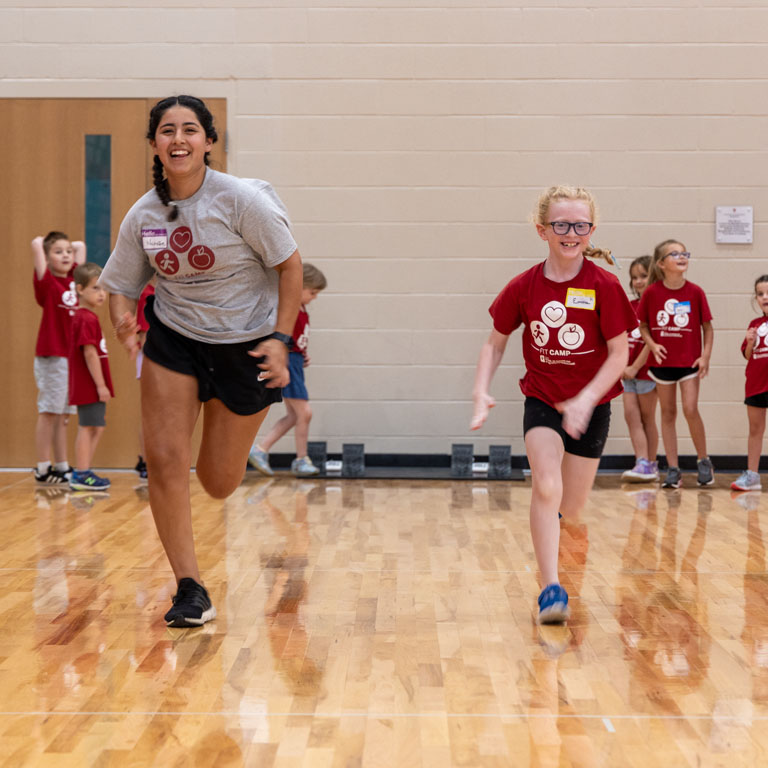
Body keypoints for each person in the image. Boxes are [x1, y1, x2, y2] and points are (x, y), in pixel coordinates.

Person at [100, 95, 303, 628]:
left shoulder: (239, 201)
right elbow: (119, 283)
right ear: (154, 145)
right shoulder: (144, 214)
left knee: (217, 480)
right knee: (165, 459)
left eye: (190, 129)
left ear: (209, 142)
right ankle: (190, 587)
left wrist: (281, 338)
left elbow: (290, 266)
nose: (178, 139)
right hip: (176, 338)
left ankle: (230, 447)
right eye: (167, 131)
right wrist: (124, 322)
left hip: (247, 343)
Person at [471, 185, 636, 624]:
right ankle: (549, 588)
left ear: (591, 230)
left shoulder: (605, 286)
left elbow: (620, 354)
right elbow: (495, 342)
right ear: (543, 230)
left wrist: (586, 399)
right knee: (546, 485)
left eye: (580, 225)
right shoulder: (524, 286)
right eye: (561, 224)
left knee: (573, 510)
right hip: (542, 400)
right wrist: (481, 387)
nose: (571, 233)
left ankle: (568, 549)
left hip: (593, 407)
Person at [637, 240, 714, 488]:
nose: (682, 257)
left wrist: (705, 356)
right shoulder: (651, 293)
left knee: (690, 409)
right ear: (661, 263)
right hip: (662, 363)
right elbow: (643, 325)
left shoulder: (695, 292)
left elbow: (707, 327)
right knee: (668, 413)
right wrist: (651, 344)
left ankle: (703, 460)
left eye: (684, 253)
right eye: (675, 254)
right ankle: (673, 468)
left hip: (689, 362)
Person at [248, 263, 327, 477]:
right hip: (288, 364)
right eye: (312, 292)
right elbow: (279, 339)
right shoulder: (288, 309)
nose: (314, 298)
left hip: (295, 363)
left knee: (294, 416)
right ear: (300, 287)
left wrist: (302, 354)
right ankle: (301, 459)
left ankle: (260, 450)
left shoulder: (302, 311)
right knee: (305, 413)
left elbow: (295, 341)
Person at [31, 232, 86, 484]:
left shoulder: (75, 281)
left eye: (67, 252)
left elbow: (80, 246)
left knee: (63, 415)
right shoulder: (47, 283)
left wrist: (67, 248)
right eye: (58, 251)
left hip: (70, 357)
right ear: (46, 256)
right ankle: (43, 467)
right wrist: (45, 247)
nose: (66, 255)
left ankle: (62, 465)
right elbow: (36, 244)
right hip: (53, 356)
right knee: (49, 412)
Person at [68, 263, 114, 491]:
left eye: (103, 289)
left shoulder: (89, 317)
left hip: (91, 385)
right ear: (80, 289)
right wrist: (101, 385)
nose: (101, 294)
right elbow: (89, 352)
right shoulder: (85, 318)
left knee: (96, 426)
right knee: (89, 427)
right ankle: (81, 473)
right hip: (89, 385)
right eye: (95, 288)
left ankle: (83, 470)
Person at [621, 255, 659, 482]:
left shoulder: (656, 306)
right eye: (634, 277)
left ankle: (651, 463)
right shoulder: (630, 306)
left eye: (643, 276)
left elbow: (650, 340)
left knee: (647, 418)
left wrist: (635, 366)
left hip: (646, 372)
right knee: (631, 416)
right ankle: (641, 461)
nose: (638, 281)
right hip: (627, 374)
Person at [731, 275, 768, 492]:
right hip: (756, 384)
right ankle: (752, 475)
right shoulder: (754, 324)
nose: (765, 297)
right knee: (755, 429)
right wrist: (750, 342)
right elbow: (747, 355)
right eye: (760, 294)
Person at [134, 281, 156, 481]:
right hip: (151, 358)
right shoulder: (147, 294)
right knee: (150, 414)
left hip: (167, 360)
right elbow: (144, 334)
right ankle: (146, 461)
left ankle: (154, 460)